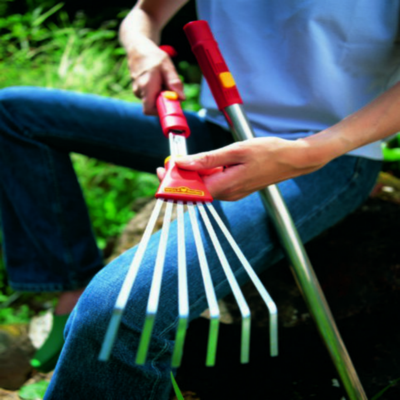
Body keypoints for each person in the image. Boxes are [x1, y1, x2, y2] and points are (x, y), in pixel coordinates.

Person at [0, 0, 399, 398]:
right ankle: (71, 285)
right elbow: (145, 15)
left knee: (114, 309)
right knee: (15, 114)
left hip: (329, 153)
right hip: (218, 132)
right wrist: (142, 46)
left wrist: (311, 152)